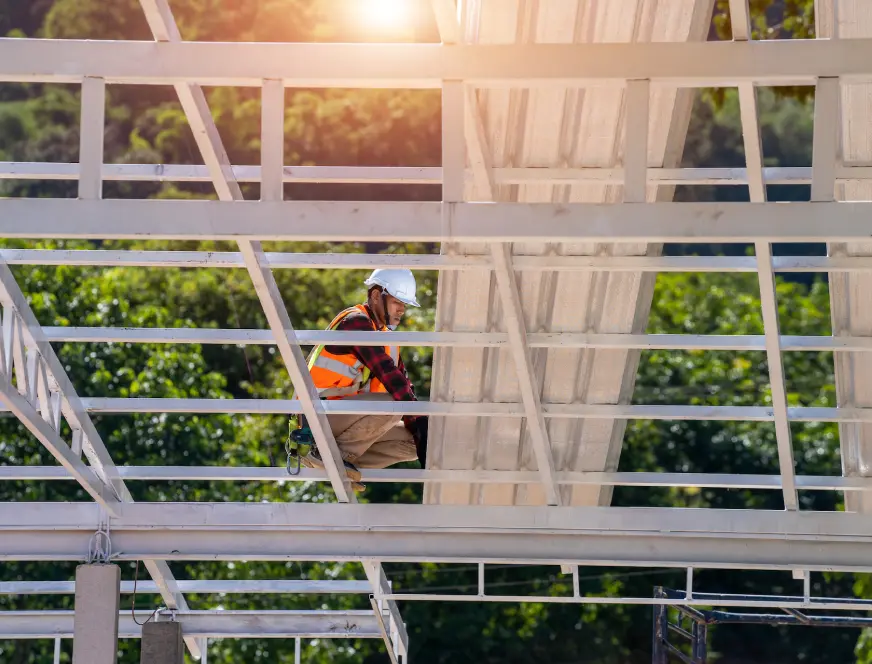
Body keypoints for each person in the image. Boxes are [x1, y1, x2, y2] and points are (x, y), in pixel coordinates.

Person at [299, 268, 428, 491]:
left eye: (404, 304)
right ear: (376, 296)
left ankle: (345, 467)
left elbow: (405, 386)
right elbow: (393, 381)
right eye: (397, 301)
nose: (402, 310)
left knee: (415, 442)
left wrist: (423, 431)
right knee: (396, 403)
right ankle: (327, 456)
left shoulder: (386, 338)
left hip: (344, 421)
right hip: (317, 420)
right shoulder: (354, 322)